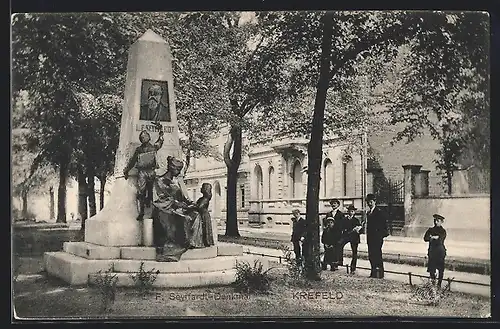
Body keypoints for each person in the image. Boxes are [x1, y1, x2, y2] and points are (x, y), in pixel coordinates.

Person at [152, 156, 206, 262]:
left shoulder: (175, 182)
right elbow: (160, 200)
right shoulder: (159, 181)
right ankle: (175, 247)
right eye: (178, 170)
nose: (179, 173)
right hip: (165, 211)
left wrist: (190, 204)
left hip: (177, 209)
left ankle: (193, 242)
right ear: (173, 169)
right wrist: (180, 205)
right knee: (184, 219)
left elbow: (183, 198)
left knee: (195, 215)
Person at [123, 125, 164, 221]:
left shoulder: (154, 147)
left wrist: (161, 132)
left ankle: (152, 210)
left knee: (152, 192)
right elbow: (132, 161)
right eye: (141, 137)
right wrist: (126, 170)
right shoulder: (139, 149)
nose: (143, 138)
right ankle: (141, 212)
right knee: (141, 192)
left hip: (151, 172)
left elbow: (160, 141)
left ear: (149, 137)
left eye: (145, 136)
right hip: (142, 172)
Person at [365, 193, 389, 278]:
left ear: (375, 202)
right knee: (371, 255)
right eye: (368, 202)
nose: (369, 204)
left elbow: (384, 225)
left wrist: (380, 235)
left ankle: (380, 274)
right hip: (370, 238)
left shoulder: (379, 212)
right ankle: (373, 272)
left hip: (377, 238)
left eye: (371, 202)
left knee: (377, 255)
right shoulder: (368, 213)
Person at [423, 214, 447, 288]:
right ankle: (433, 284)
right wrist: (433, 238)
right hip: (432, 252)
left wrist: (433, 237)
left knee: (440, 269)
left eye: (438, 221)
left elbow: (440, 239)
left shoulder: (443, 231)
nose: (436, 222)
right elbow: (425, 238)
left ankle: (439, 285)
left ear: (441, 222)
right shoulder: (431, 230)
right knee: (432, 269)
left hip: (440, 252)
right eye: (435, 220)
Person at [338, 205, 363, 274]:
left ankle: (353, 268)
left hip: (354, 237)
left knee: (354, 252)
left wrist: (358, 230)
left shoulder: (356, 220)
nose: (351, 212)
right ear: (347, 211)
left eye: (352, 211)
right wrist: (346, 231)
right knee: (339, 244)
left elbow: (361, 230)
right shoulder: (344, 219)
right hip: (346, 236)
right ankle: (340, 261)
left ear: (354, 212)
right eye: (350, 211)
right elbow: (341, 228)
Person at [323, 199, 347, 267]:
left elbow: (342, 224)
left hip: (337, 234)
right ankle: (329, 263)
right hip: (329, 234)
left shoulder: (341, 214)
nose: (333, 205)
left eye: (335, 203)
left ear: (338, 205)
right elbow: (325, 223)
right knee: (329, 249)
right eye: (332, 203)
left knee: (337, 249)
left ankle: (336, 263)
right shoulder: (328, 214)